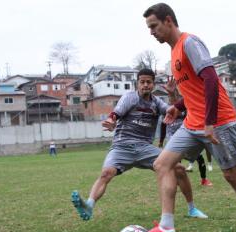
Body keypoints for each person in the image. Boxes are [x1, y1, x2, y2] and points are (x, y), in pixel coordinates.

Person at [143, 3, 236, 232]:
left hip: (217, 122)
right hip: (192, 123)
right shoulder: (174, 51)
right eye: (149, 28)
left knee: (232, 176)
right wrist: (176, 107)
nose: (151, 32)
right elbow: (193, 91)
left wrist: (210, 122)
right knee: (162, 164)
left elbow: (210, 79)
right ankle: (167, 226)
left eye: (154, 26)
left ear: (168, 21)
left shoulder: (190, 43)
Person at [71, 68, 208, 222]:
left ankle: (192, 209)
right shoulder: (129, 98)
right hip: (122, 146)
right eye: (142, 82)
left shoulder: (157, 103)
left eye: (148, 82)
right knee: (106, 173)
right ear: (137, 84)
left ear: (153, 85)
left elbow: (175, 112)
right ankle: (89, 205)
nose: (145, 85)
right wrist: (110, 121)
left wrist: (171, 94)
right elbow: (116, 113)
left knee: (179, 169)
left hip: (145, 148)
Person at [158, 78, 213, 186]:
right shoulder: (166, 110)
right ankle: (176, 181)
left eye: (174, 96)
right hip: (172, 137)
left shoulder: (183, 107)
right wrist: (161, 140)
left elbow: (178, 104)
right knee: (174, 162)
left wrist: (173, 93)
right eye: (169, 98)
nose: (171, 100)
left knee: (199, 158)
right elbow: (163, 125)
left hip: (186, 136)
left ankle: (204, 179)